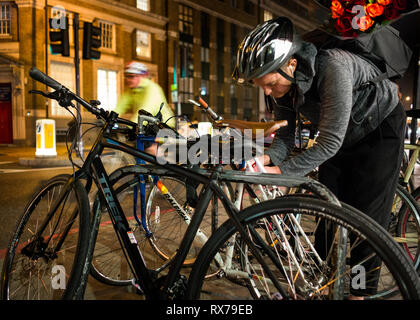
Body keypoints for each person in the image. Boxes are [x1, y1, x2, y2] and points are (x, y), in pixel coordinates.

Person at [233, 17, 405, 299]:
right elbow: (286, 139)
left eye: (270, 84)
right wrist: (268, 161)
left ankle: (358, 294)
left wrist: (282, 174)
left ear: (291, 64)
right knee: (327, 212)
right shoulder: (282, 86)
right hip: (341, 137)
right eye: (260, 85)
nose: (266, 91)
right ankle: (321, 284)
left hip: (378, 131)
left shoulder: (333, 68)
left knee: (364, 223)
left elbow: (329, 142)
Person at [115, 61, 176, 155]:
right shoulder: (131, 90)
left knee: (149, 149)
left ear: (141, 76)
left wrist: (130, 126)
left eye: (131, 76)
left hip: (163, 125)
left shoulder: (152, 89)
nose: (128, 79)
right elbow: (120, 107)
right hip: (148, 126)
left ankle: (166, 168)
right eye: (126, 76)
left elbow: (146, 110)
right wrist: (107, 118)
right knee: (134, 151)